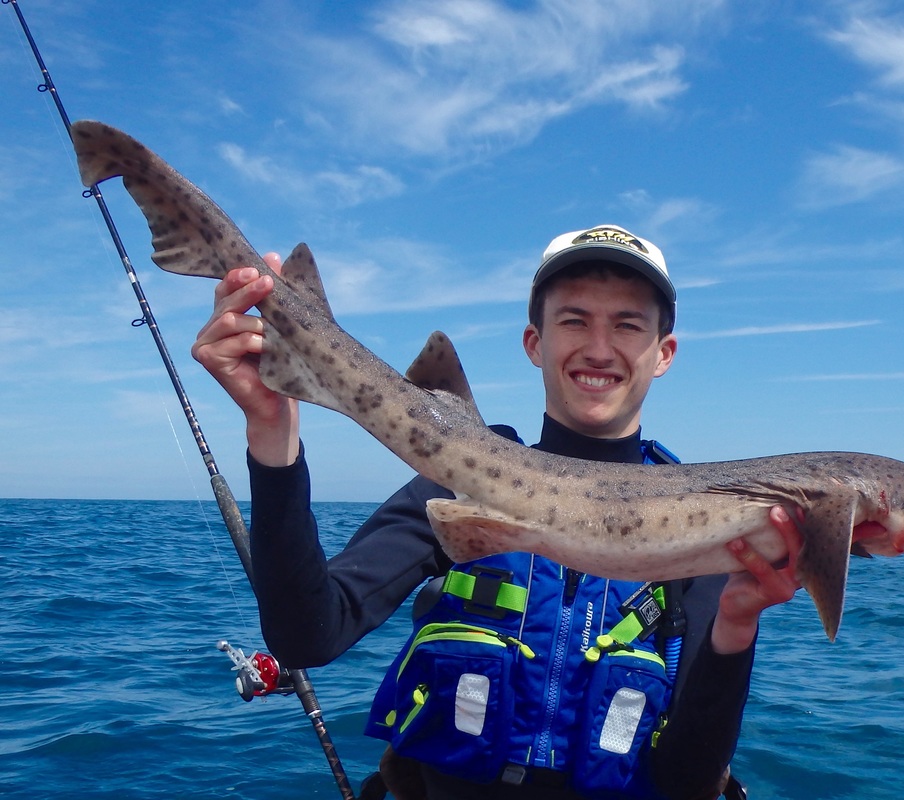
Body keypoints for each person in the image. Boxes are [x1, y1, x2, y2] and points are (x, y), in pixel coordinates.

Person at [192, 224, 803, 799]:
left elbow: (688, 780)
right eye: (574, 320)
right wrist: (272, 437)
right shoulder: (458, 479)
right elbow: (306, 636)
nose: (598, 348)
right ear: (534, 342)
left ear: (663, 352)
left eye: (626, 325)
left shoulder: (700, 520)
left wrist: (737, 628)